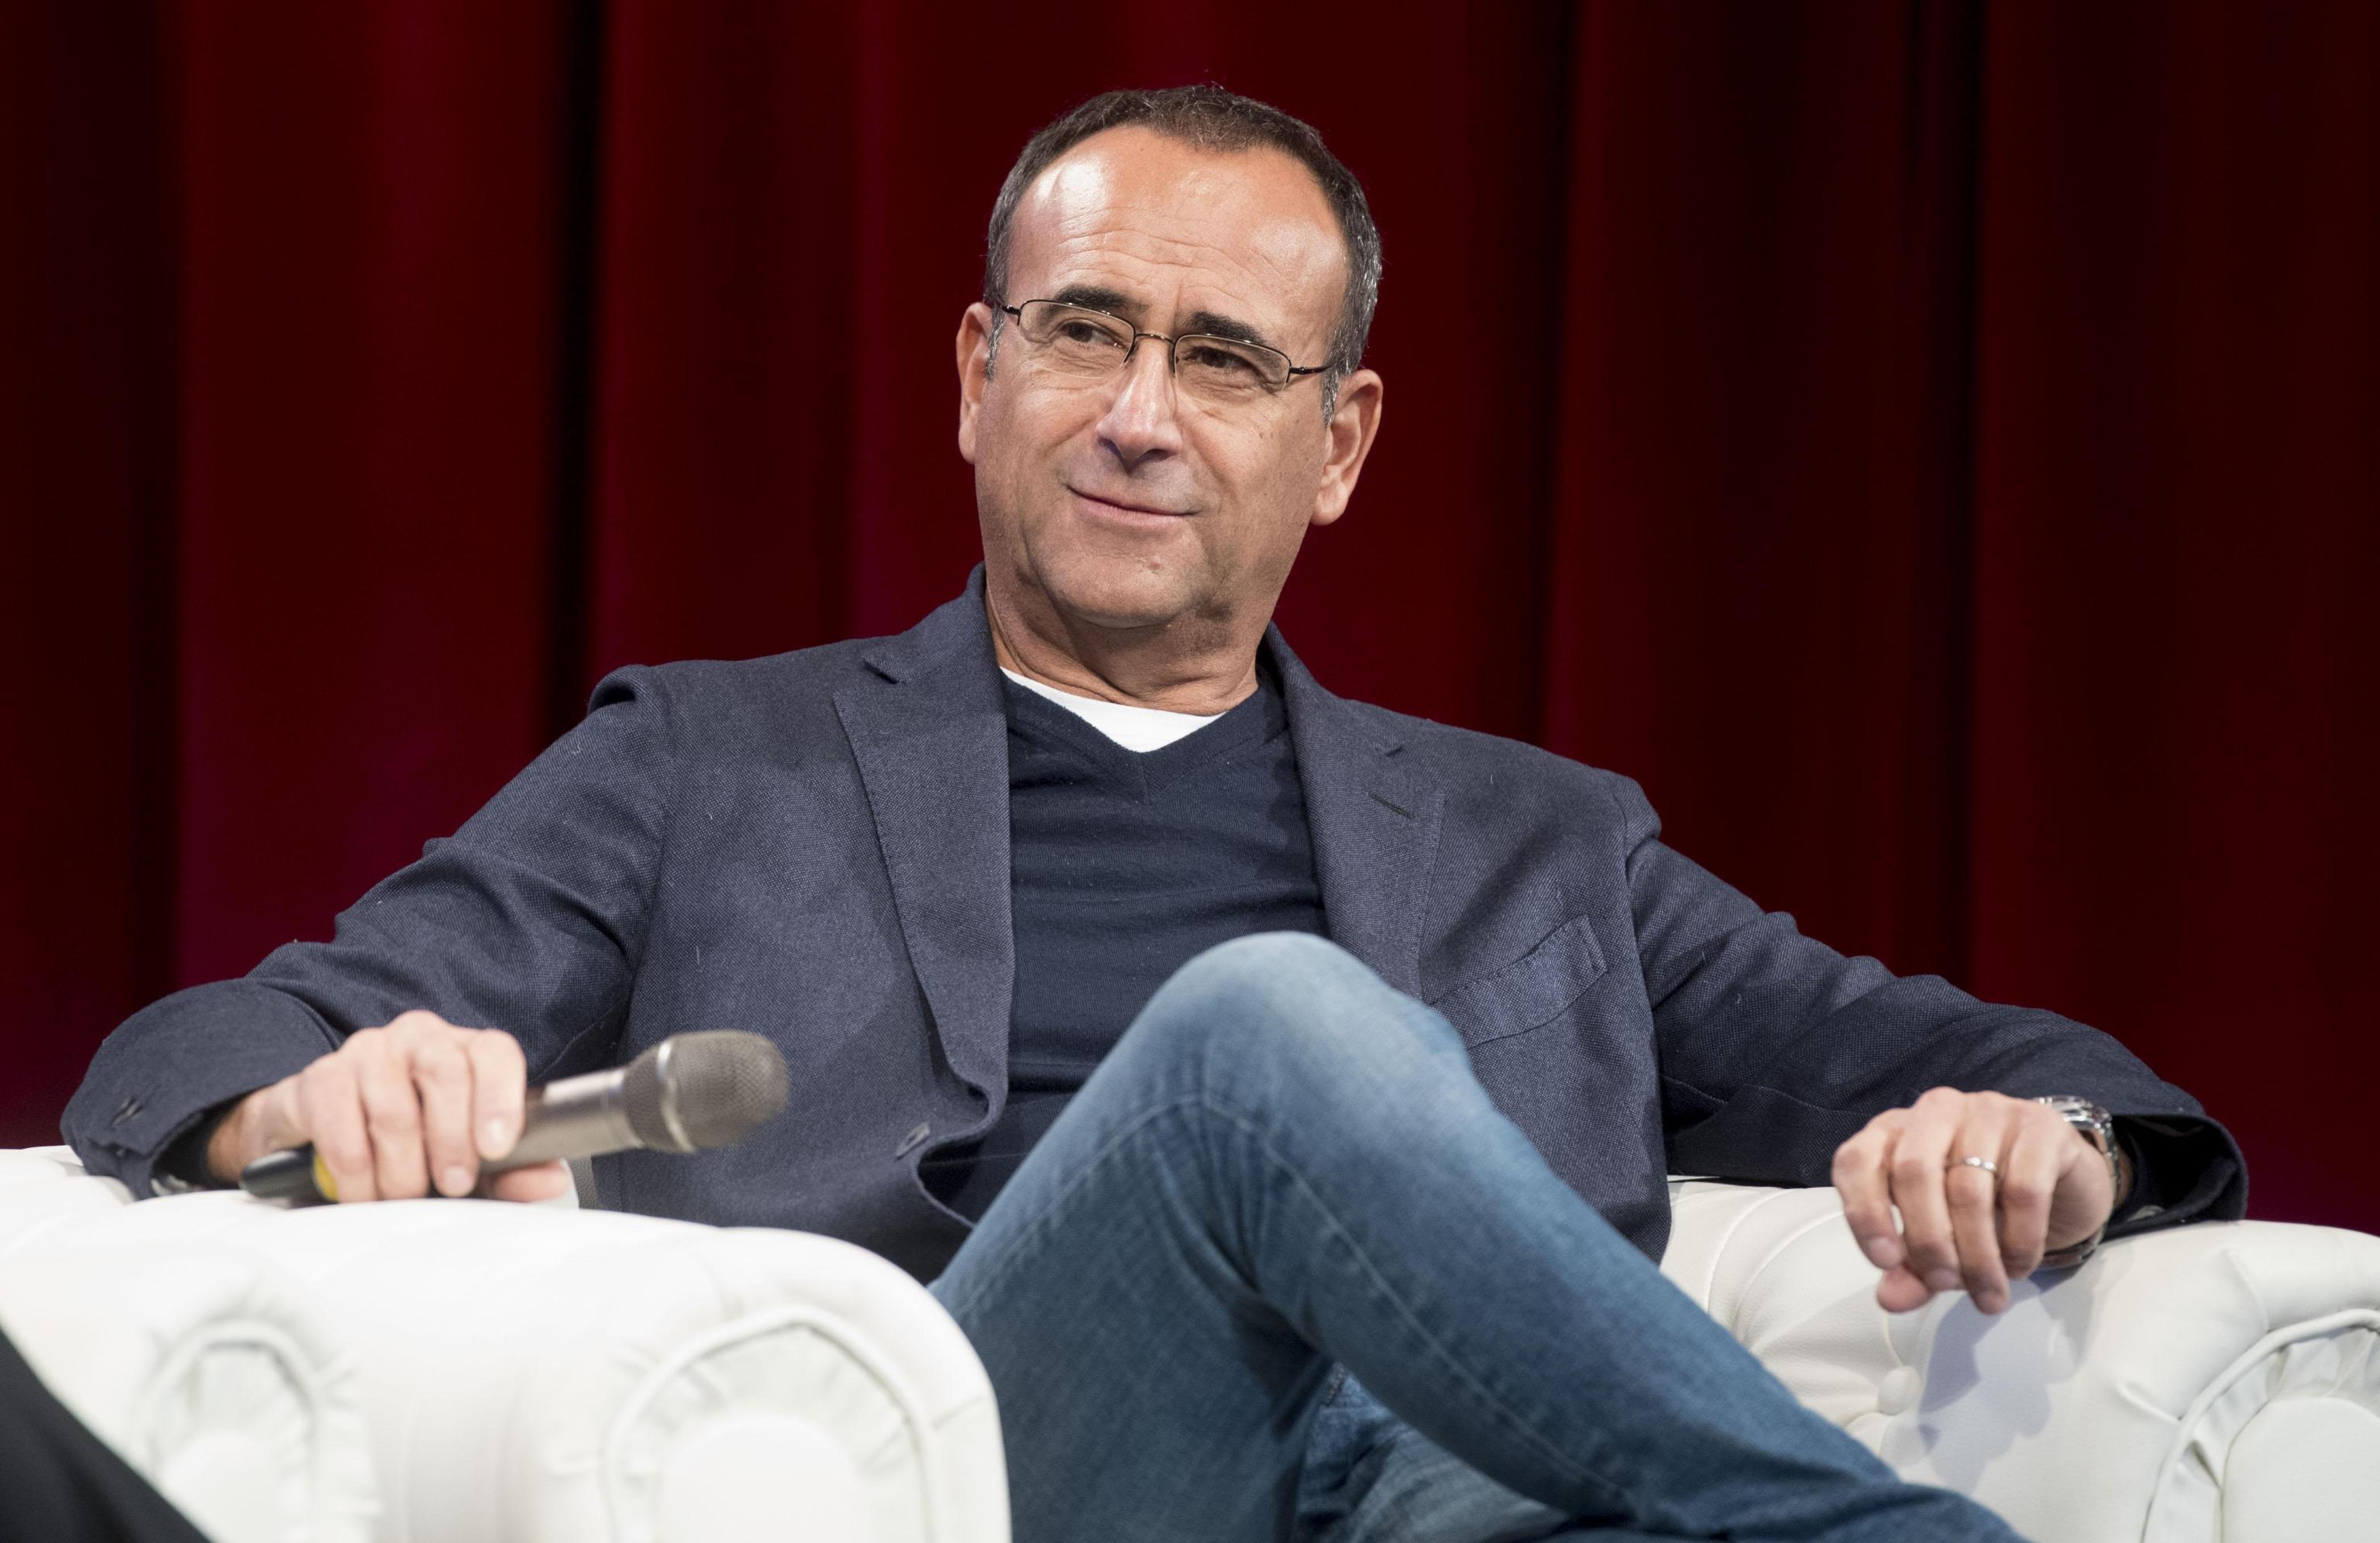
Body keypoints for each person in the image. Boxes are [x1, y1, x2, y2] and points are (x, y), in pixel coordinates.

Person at [66, 87, 2243, 1541]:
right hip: (1006, 1462)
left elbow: (1989, 1056)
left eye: (1222, 360)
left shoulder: (1541, 841)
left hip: (1450, 1489)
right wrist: (309, 1101)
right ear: (975, 378)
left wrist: (2057, 1138)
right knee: (1262, 1032)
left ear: (1341, 443)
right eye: (1085, 332)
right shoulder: (703, 763)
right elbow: (192, 1052)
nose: (1135, 416)